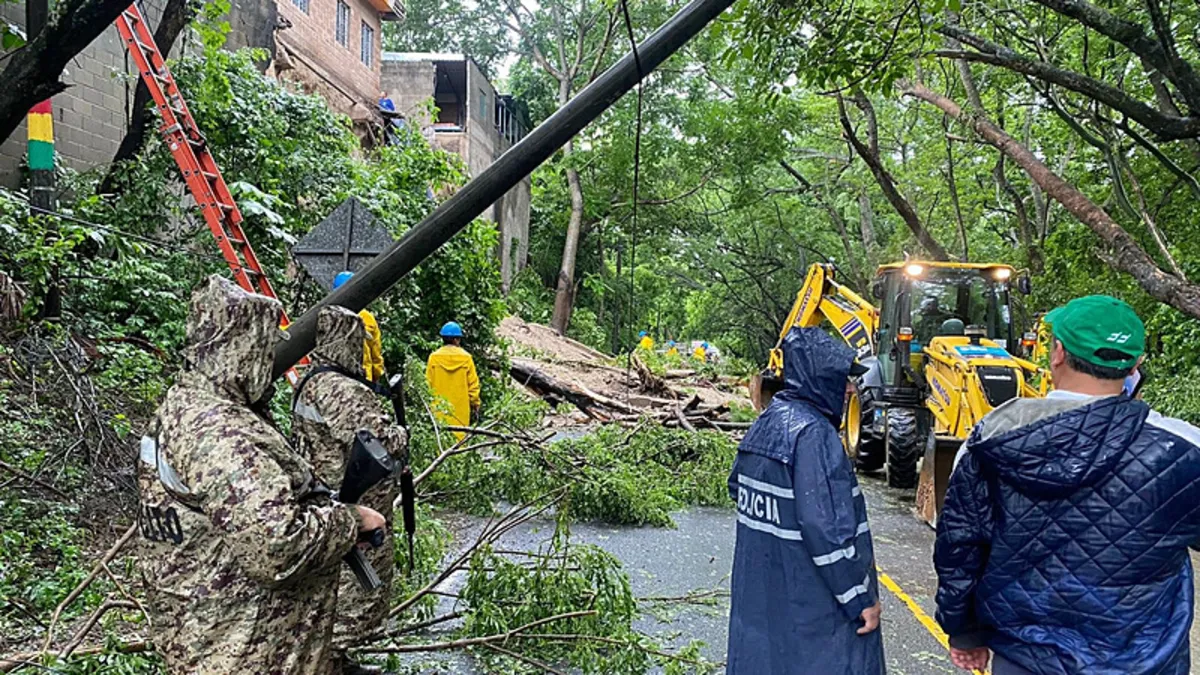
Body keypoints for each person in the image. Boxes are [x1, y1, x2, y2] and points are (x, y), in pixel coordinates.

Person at [935, 295, 1200, 675]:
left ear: (1057, 353)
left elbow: (959, 546)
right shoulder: (1183, 448)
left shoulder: (990, 438)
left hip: (1025, 659)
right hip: (1145, 663)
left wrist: (964, 633)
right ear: (1135, 365)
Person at [137, 276, 385, 674]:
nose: (273, 359)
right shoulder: (218, 431)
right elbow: (274, 548)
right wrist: (350, 521)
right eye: (267, 346)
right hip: (242, 650)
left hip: (209, 635)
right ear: (243, 348)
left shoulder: (189, 403)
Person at [726, 327, 884, 674]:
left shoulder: (765, 422)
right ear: (820, 378)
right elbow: (827, 530)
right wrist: (860, 599)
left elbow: (736, 486)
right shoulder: (815, 436)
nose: (850, 389)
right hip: (811, 610)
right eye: (843, 379)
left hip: (759, 600)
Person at [292, 307, 406, 675]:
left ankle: (335, 660)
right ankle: (332, 658)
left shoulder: (308, 382)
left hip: (320, 498)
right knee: (354, 593)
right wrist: (402, 433)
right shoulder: (343, 390)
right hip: (353, 503)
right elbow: (381, 441)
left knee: (329, 584)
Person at [425, 321, 481, 440]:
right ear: (456, 340)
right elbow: (473, 386)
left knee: (440, 441)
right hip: (460, 412)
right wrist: (475, 404)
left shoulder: (434, 358)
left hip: (439, 410)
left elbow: (427, 385)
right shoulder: (466, 358)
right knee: (460, 441)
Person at [333, 271, 385, 383]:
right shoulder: (367, 317)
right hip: (363, 380)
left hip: (335, 381)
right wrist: (376, 375)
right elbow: (375, 353)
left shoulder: (329, 316)